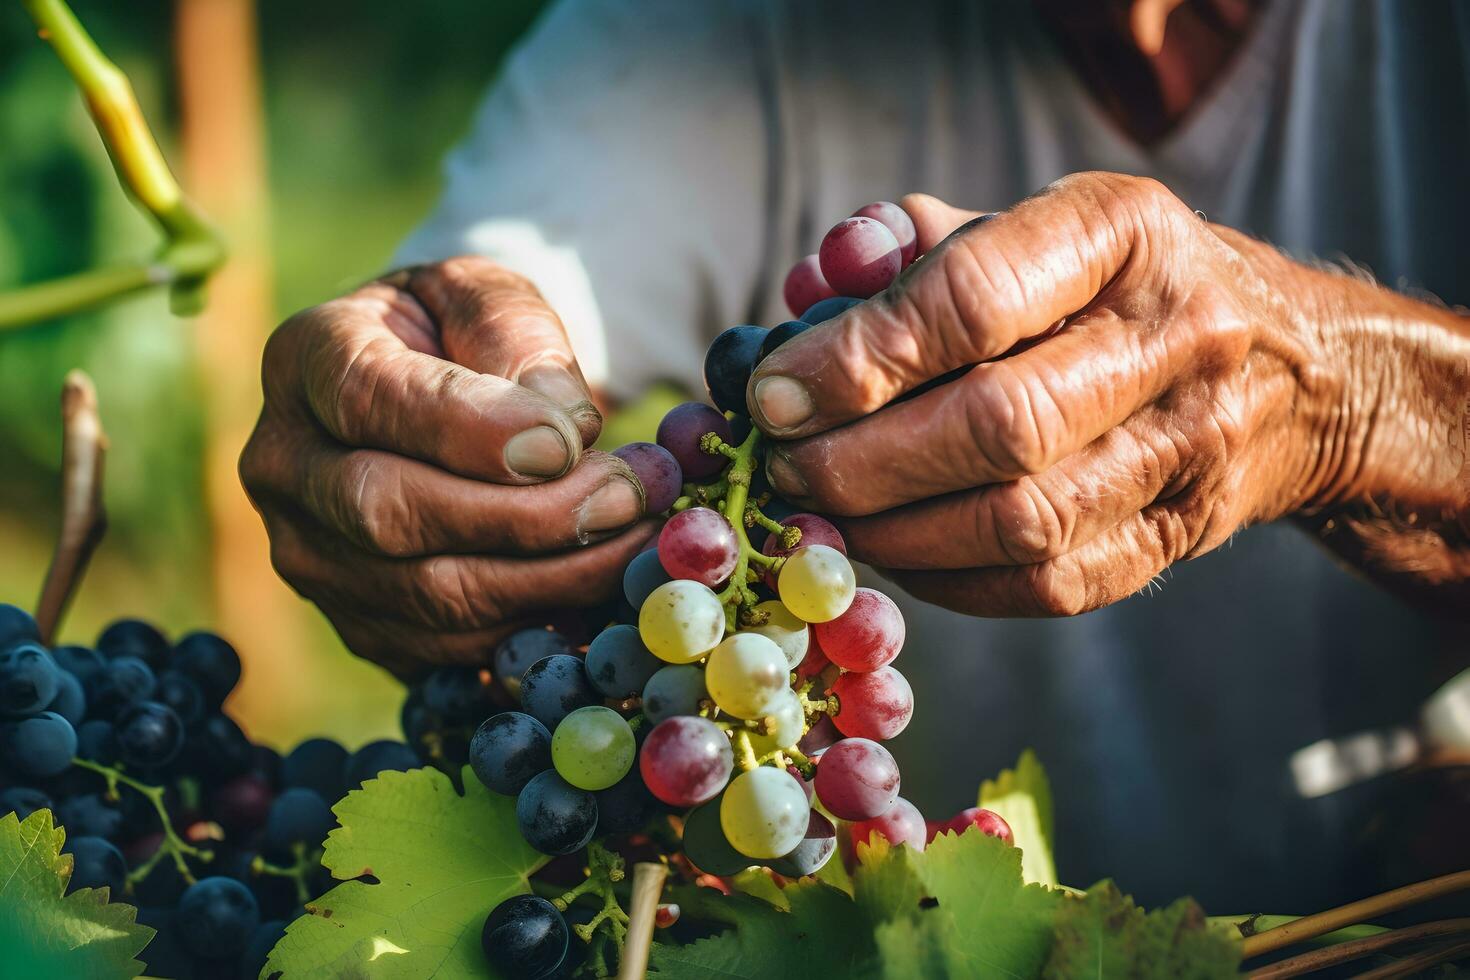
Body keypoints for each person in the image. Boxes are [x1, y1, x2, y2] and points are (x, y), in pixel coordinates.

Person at [239, 0, 1470, 911]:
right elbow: (501, 277)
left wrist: (1356, 399)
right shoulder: (704, 32)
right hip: (905, 923)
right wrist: (416, 389)